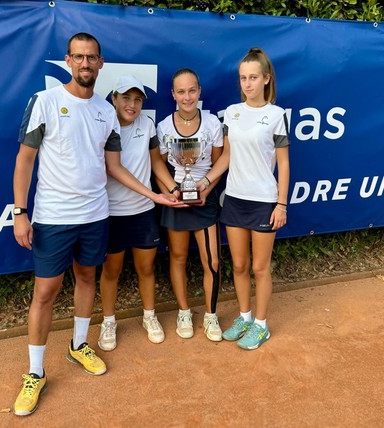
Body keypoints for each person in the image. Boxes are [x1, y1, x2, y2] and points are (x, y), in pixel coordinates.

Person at [12, 33, 180, 416]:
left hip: (95, 215)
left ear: (100, 64)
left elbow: (114, 168)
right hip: (53, 217)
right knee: (45, 292)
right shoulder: (46, 102)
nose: (86, 64)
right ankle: (35, 373)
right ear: (69, 61)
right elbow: (24, 160)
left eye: (92, 58)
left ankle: (77, 345)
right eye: (79, 57)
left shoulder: (106, 114)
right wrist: (20, 212)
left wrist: (154, 195)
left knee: (88, 278)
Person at [201, 47, 290, 350]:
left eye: (253, 77)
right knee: (238, 266)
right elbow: (226, 157)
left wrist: (281, 204)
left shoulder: (276, 116)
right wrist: (206, 180)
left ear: (266, 79)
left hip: (264, 201)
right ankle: (245, 317)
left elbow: (284, 163)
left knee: (259, 268)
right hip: (235, 200)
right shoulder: (232, 113)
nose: (247, 83)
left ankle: (262, 326)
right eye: (243, 78)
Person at [97, 75, 183, 351]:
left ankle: (149, 316)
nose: (132, 105)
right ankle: (108, 321)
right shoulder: (102, 126)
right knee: (112, 270)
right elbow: (112, 168)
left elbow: (156, 162)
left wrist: (173, 188)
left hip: (144, 212)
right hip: (111, 213)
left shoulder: (147, 125)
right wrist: (156, 195)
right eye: (126, 98)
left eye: (137, 99)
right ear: (113, 99)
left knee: (146, 269)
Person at [156, 68, 224, 342]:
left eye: (192, 90)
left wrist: (206, 188)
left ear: (199, 91)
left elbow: (220, 162)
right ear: (173, 94)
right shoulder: (163, 127)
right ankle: (184, 311)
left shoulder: (212, 124)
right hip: (175, 197)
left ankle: (210, 315)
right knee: (178, 257)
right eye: (181, 92)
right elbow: (158, 166)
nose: (187, 97)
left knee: (213, 260)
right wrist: (170, 193)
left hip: (204, 198)